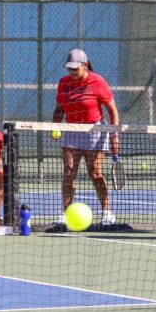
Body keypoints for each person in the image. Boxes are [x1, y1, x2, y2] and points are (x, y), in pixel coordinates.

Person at [52, 49, 121, 228]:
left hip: (95, 130)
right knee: (68, 172)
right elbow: (59, 109)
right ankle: (66, 213)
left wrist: (114, 133)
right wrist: (54, 126)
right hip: (72, 130)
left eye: (75, 69)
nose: (72, 73)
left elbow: (112, 109)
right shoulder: (63, 83)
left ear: (85, 65)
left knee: (95, 173)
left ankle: (107, 212)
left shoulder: (98, 82)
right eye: (69, 69)